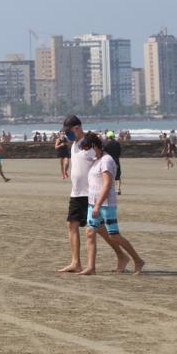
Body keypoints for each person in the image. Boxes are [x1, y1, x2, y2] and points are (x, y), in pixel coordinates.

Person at [58, 115, 128, 273]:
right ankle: (76, 262)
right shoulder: (74, 144)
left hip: (89, 193)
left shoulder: (89, 145)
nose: (66, 134)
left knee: (101, 230)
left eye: (68, 131)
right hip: (76, 193)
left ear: (77, 128)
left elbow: (101, 162)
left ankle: (121, 255)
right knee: (72, 225)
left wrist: (102, 190)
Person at [78, 133, 145, 276]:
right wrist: (93, 205)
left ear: (94, 146)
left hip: (106, 205)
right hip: (92, 203)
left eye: (86, 148)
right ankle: (91, 267)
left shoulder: (106, 160)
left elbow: (108, 184)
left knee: (114, 235)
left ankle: (138, 260)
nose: (85, 151)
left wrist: (98, 205)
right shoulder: (96, 160)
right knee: (90, 233)